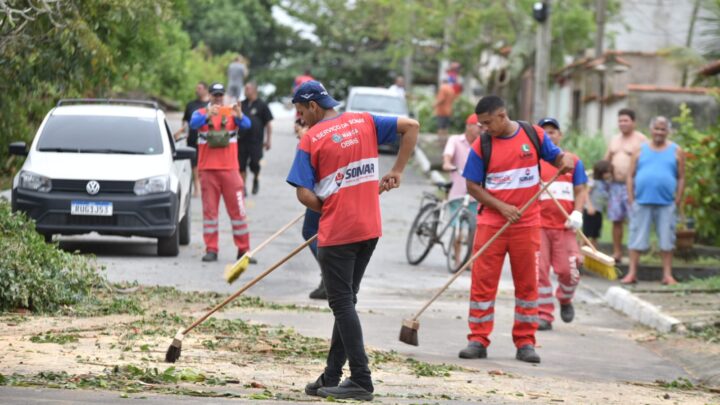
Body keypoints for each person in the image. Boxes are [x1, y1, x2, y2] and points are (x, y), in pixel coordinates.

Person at [287, 81, 419, 400]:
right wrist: (397, 170)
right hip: (369, 228)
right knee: (347, 301)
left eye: (302, 112)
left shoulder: (311, 139)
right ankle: (332, 375)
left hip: (339, 232)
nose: (301, 119)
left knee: (343, 304)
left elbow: (303, 192)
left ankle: (361, 379)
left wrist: (329, 205)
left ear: (314, 107)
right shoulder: (364, 120)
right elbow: (412, 126)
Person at [459, 95, 574, 364]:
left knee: (527, 283)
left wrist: (564, 161)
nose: (484, 128)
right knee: (483, 285)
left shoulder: (533, 135)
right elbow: (472, 187)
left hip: (527, 223)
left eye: (487, 122)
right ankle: (477, 339)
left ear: (502, 115)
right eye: (481, 124)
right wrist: (502, 207)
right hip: (492, 223)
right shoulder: (482, 144)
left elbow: (558, 158)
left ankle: (525, 342)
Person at [190, 83, 253, 263]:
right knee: (210, 214)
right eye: (214, 95)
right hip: (208, 171)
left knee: (238, 213)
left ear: (224, 96)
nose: (218, 98)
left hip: (231, 171)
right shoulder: (200, 113)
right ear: (209, 96)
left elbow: (248, 125)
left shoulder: (230, 112)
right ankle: (211, 249)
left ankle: (244, 250)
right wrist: (208, 115)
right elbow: (193, 124)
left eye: (220, 95)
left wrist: (239, 115)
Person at [535, 118, 588, 331]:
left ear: (560, 135)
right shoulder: (533, 162)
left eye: (553, 131)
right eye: (544, 132)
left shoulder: (572, 160)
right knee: (538, 271)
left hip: (565, 226)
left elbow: (581, 189)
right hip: (538, 225)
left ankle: (565, 299)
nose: (549, 135)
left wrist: (577, 212)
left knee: (569, 271)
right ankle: (543, 315)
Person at [622, 116, 685, 285]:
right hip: (641, 201)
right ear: (651, 130)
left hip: (666, 203)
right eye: (656, 128)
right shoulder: (640, 149)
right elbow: (630, 175)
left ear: (668, 131)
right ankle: (632, 273)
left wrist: (678, 199)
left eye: (663, 129)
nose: (659, 132)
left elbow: (681, 177)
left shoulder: (676, 150)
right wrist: (630, 197)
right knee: (636, 237)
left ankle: (667, 275)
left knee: (667, 239)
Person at [604, 109, 648, 263]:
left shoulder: (641, 140)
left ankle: (633, 254)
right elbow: (607, 159)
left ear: (633, 122)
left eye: (626, 120)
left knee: (635, 220)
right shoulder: (614, 139)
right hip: (615, 186)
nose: (622, 123)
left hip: (634, 186)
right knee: (616, 220)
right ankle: (617, 252)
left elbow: (647, 162)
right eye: (620, 120)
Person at [442, 113, 482, 263]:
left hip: (476, 194)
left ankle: (470, 260)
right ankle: (457, 259)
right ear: (468, 126)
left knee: (474, 230)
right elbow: (448, 155)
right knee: (457, 229)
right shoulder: (455, 140)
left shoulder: (482, 144)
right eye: (477, 127)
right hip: (458, 193)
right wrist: (447, 163)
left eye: (481, 127)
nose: (479, 130)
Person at [174, 81, 209, 197]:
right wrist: (182, 131)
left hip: (207, 139)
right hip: (193, 138)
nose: (197, 90)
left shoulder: (210, 105)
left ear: (205, 90)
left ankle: (205, 186)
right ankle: (197, 187)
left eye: (199, 88)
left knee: (204, 164)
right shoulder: (191, 105)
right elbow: (185, 121)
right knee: (194, 164)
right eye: (196, 88)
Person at [239, 82, 273, 195]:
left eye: (248, 88)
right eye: (245, 88)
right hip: (242, 140)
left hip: (256, 141)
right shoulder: (241, 104)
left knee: (254, 164)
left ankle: (256, 179)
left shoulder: (262, 105)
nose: (245, 90)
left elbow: (268, 123)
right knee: (241, 164)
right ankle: (243, 187)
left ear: (254, 90)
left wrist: (268, 140)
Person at [583, 160, 612, 248]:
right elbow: (586, 193)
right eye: (608, 172)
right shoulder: (593, 181)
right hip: (590, 210)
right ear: (601, 172)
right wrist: (589, 206)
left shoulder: (606, 183)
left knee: (596, 234)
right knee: (586, 233)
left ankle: (593, 253)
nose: (610, 174)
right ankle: (582, 253)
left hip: (598, 211)